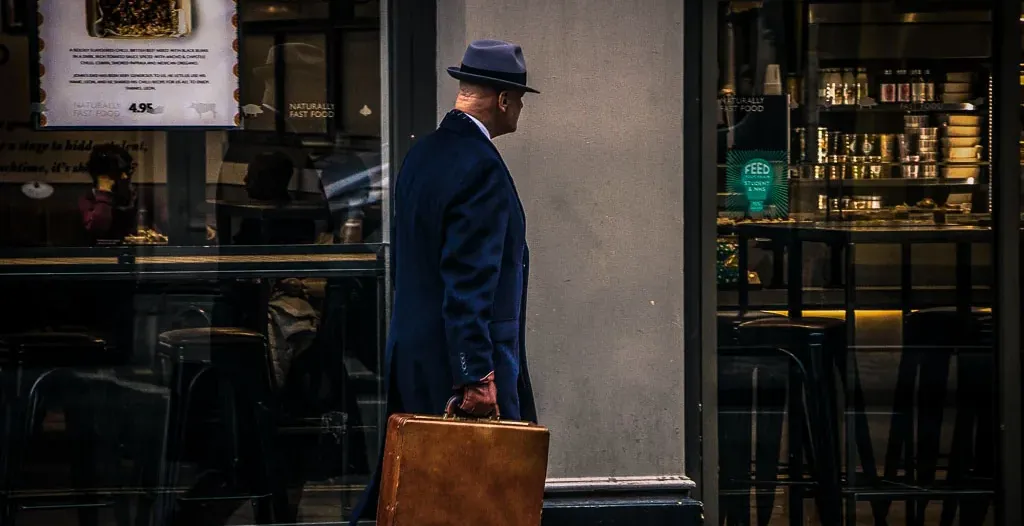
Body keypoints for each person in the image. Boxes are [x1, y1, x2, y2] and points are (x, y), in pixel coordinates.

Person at [348, 39, 540, 524]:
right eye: (518, 100)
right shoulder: (480, 167)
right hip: (456, 363)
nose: (519, 110)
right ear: (501, 99)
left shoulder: (423, 154)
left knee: (414, 489)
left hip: (413, 351)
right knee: (474, 496)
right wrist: (476, 374)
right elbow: (469, 280)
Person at [79, 143, 137, 242]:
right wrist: (104, 192)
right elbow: (98, 228)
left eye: (127, 171)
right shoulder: (88, 199)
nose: (125, 177)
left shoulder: (131, 194)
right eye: (119, 172)